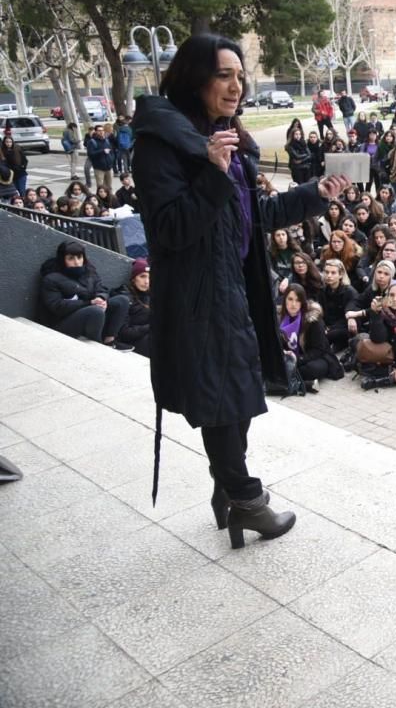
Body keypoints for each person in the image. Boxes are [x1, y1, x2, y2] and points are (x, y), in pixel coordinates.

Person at [131, 34, 350, 548]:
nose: (237, 86)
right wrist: (211, 171)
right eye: (223, 75)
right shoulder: (161, 147)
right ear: (194, 80)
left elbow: (256, 219)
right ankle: (247, 498)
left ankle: (227, 489)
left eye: (240, 75)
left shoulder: (224, 136)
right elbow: (171, 230)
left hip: (238, 290)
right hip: (198, 298)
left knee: (241, 397)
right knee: (222, 399)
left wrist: (312, 194)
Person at [40, 239, 131, 347]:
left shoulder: (89, 271)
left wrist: (101, 298)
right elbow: (57, 306)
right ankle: (97, 345)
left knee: (122, 300)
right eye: (71, 258)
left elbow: (101, 288)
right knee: (95, 311)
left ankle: (110, 341)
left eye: (79, 257)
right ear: (62, 260)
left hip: (90, 310)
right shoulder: (51, 279)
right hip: (62, 323)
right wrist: (89, 303)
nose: (77, 262)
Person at [276, 283, 341, 391]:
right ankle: (305, 385)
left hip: (316, 357)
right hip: (291, 356)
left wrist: (297, 359)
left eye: (298, 300)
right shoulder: (279, 317)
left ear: (303, 302)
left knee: (310, 369)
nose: (293, 304)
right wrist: (283, 352)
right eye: (290, 299)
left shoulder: (312, 320)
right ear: (284, 300)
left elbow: (318, 350)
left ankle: (290, 379)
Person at [113, 257, 152, 356]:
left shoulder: (151, 297)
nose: (147, 282)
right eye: (142, 276)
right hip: (129, 343)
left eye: (149, 277)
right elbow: (123, 333)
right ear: (134, 279)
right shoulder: (125, 297)